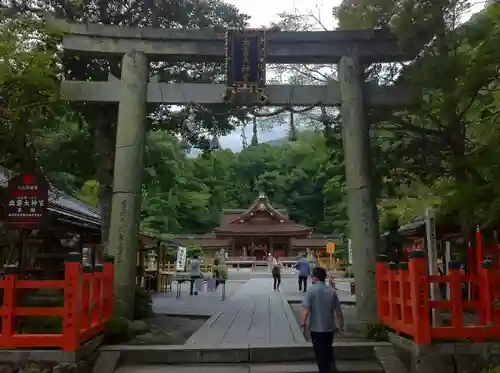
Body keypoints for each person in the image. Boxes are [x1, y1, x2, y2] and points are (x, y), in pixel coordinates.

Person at [300, 266, 344, 373]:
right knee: (328, 350)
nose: (311, 278)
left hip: (316, 328)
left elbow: (306, 310)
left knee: (320, 354)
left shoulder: (311, 291)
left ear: (316, 278)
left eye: (313, 276)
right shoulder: (331, 291)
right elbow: (338, 311)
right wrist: (341, 325)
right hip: (329, 328)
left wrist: (303, 324)